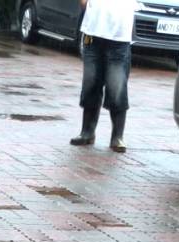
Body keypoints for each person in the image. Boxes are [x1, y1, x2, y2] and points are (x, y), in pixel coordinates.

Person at [70, 0, 134, 152]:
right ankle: (87, 131)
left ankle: (117, 136)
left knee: (116, 85)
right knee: (90, 83)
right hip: (92, 31)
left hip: (119, 35)